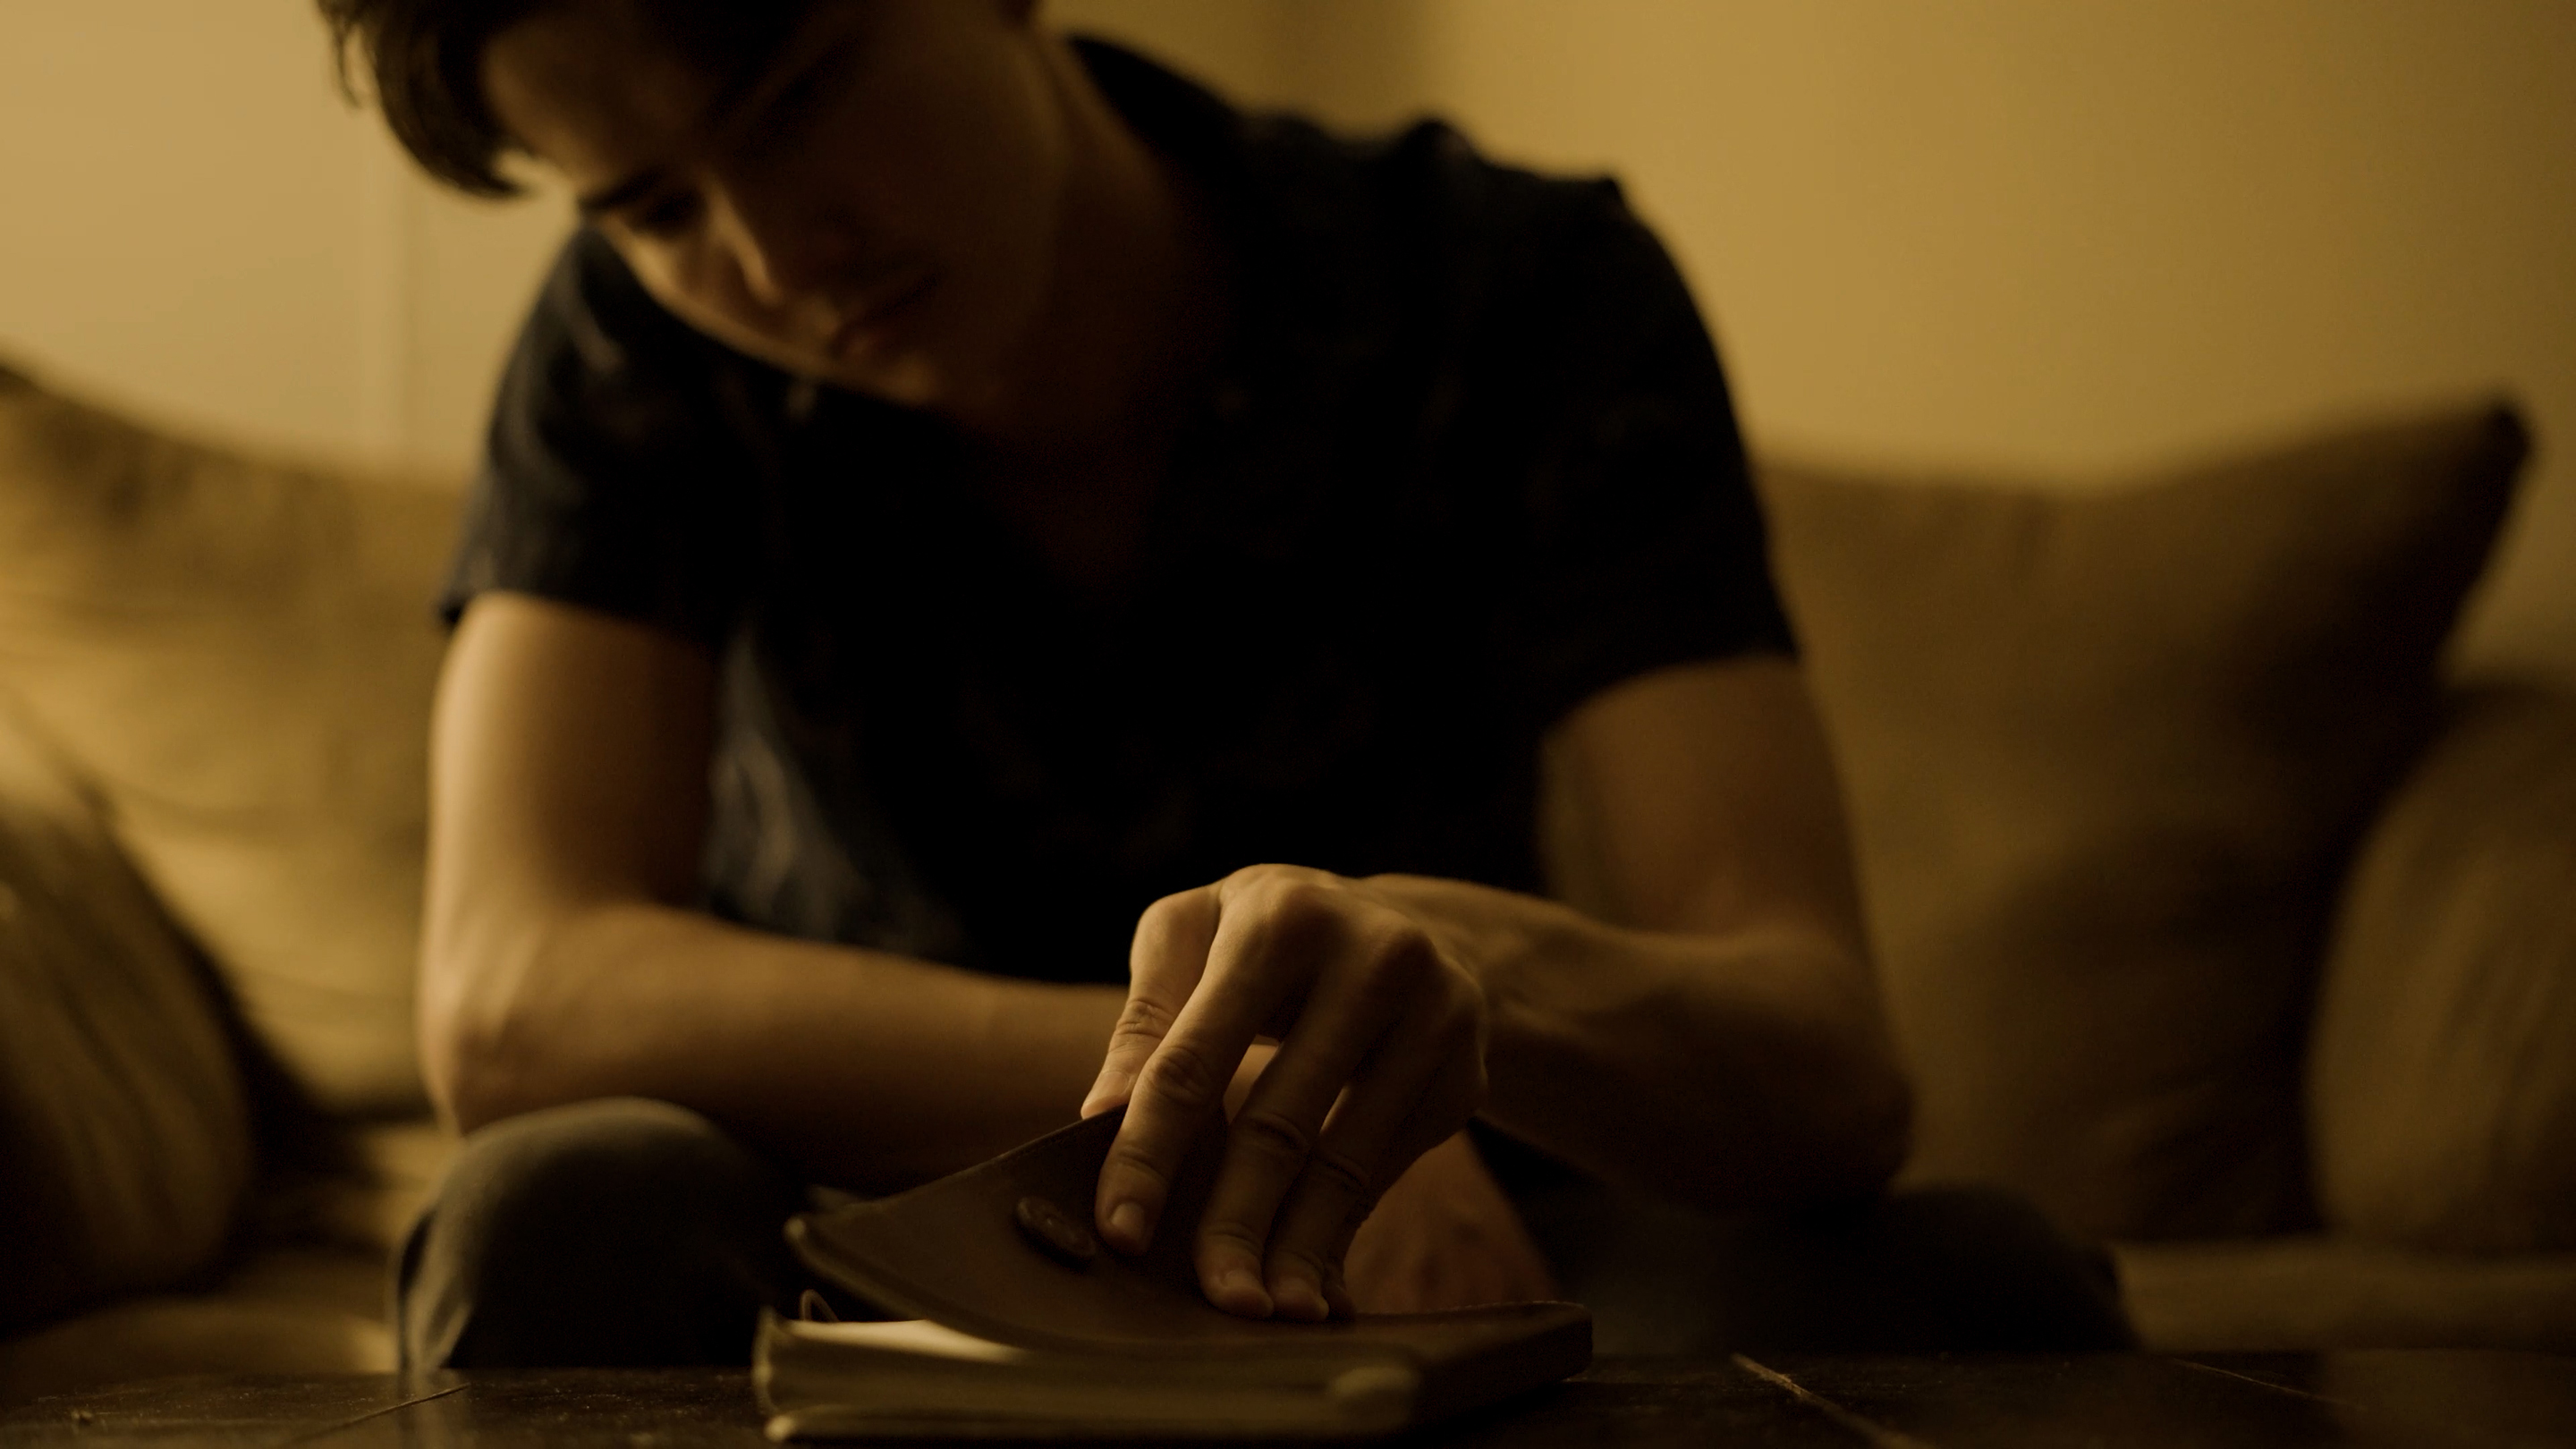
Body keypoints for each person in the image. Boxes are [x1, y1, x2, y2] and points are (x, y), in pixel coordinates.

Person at [322, 0, 2133, 1365]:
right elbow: (511, 997)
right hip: (884, 1238)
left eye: (801, 93)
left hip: (1461, 1223)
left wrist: (1458, 1000)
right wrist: (1271, 1088)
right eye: (647, 204)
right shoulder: (627, 347)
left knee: (1978, 1288)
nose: (783, 260)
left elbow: (1823, 1060)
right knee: (550, 1214)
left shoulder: (1523, 290)